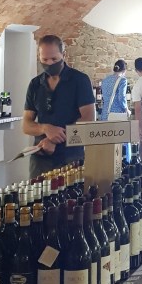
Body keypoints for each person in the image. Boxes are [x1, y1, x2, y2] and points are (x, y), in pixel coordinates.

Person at [22, 34, 95, 179]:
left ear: (64, 54)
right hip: (40, 159)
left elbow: (88, 119)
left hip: (71, 157)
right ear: (39, 57)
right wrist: (45, 128)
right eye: (45, 60)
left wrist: (53, 139)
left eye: (54, 59)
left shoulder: (80, 80)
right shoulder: (35, 84)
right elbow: (26, 125)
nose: (49, 63)